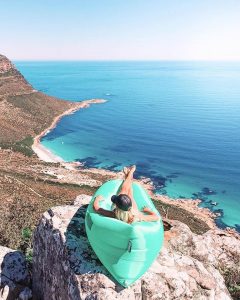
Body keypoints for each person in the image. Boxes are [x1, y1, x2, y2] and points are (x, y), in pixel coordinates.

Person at [93, 165, 159, 224]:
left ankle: (129, 174)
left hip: (127, 210)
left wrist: (97, 199)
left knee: (124, 190)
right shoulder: (136, 217)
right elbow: (156, 217)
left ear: (117, 206)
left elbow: (96, 208)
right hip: (133, 211)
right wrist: (147, 210)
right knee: (130, 193)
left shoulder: (113, 215)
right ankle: (130, 173)